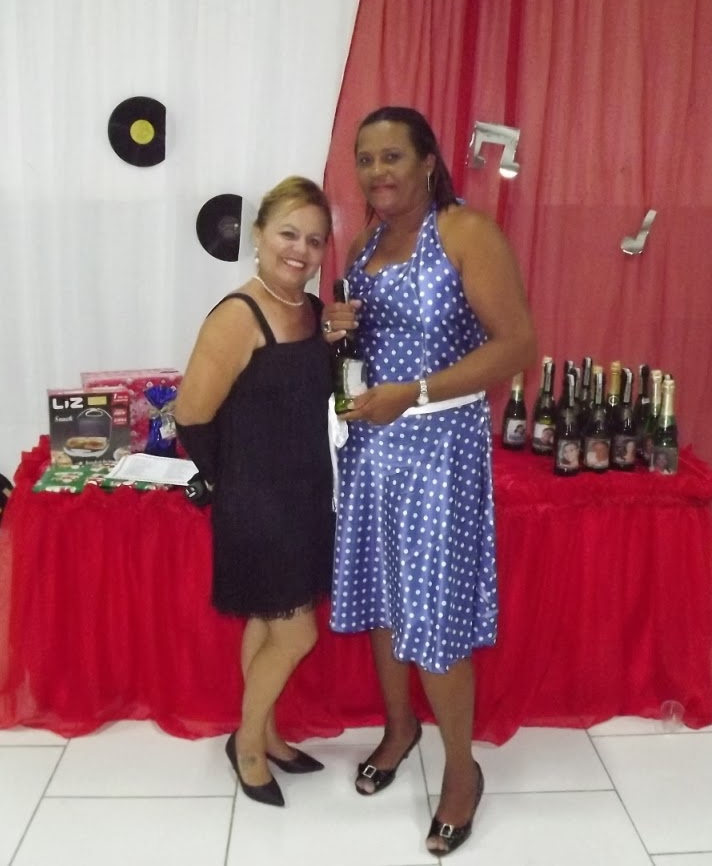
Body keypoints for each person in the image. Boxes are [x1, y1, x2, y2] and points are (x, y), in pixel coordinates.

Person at [321, 107, 536, 855]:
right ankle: (399, 728)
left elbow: (517, 345)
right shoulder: (364, 244)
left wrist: (412, 394)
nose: (377, 172)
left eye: (392, 157)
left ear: (427, 162)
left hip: (439, 451)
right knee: (383, 596)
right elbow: (362, 350)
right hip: (370, 448)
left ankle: (461, 770)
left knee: (435, 613)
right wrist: (338, 332)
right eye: (365, 159)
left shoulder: (465, 233)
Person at [175, 176, 335, 808]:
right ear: (260, 236)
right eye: (289, 233)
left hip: (306, 499)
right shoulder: (237, 316)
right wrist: (232, 485)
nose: (301, 250)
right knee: (297, 635)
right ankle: (246, 746)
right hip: (257, 506)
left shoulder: (312, 310)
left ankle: (265, 732)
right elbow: (191, 416)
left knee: (269, 625)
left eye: (315, 240)